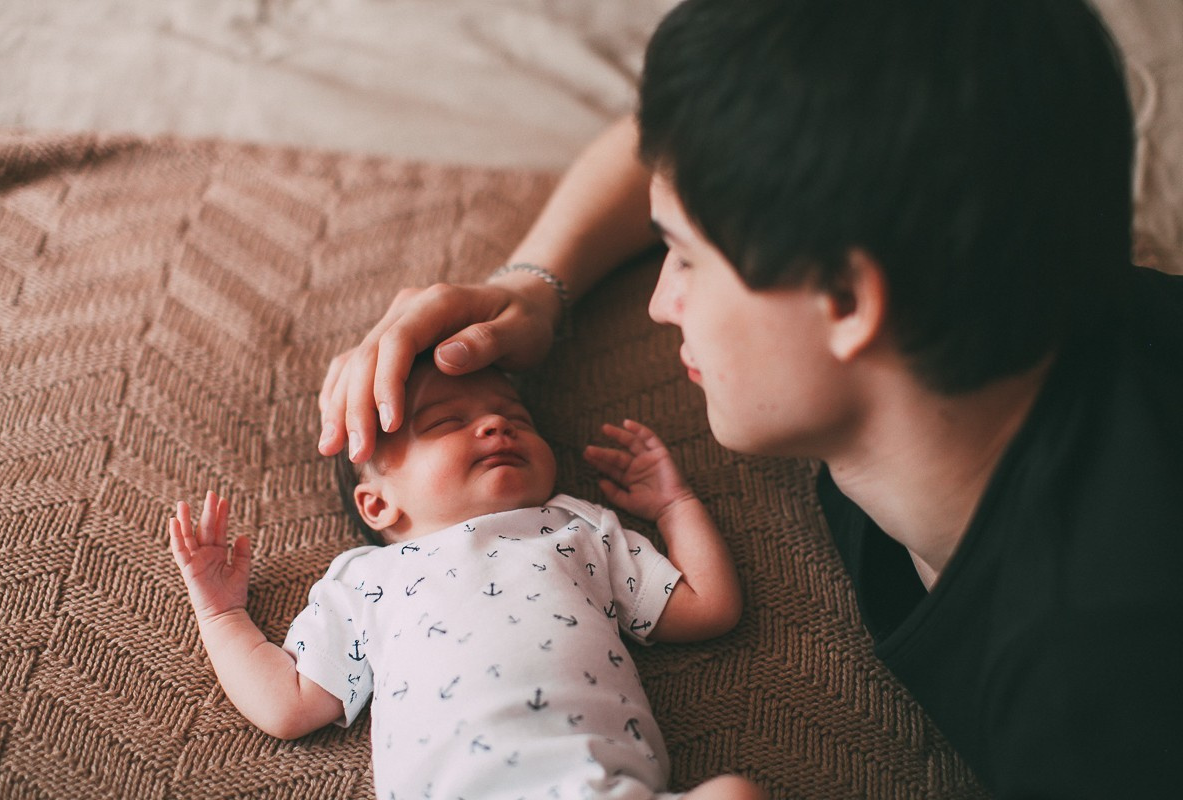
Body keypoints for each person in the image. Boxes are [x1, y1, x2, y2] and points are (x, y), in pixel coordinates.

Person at [315, 0, 1183, 796]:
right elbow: (672, 146)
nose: (660, 303)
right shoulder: (1003, 282)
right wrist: (535, 287)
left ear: (846, 300)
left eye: (685, 256)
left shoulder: (1094, 705)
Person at [169, 357, 764, 799]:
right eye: (448, 421)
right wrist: (222, 614)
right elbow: (288, 706)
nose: (495, 427)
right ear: (378, 505)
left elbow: (709, 607)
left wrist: (674, 505)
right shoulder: (365, 580)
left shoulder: (577, 527)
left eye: (514, 417)